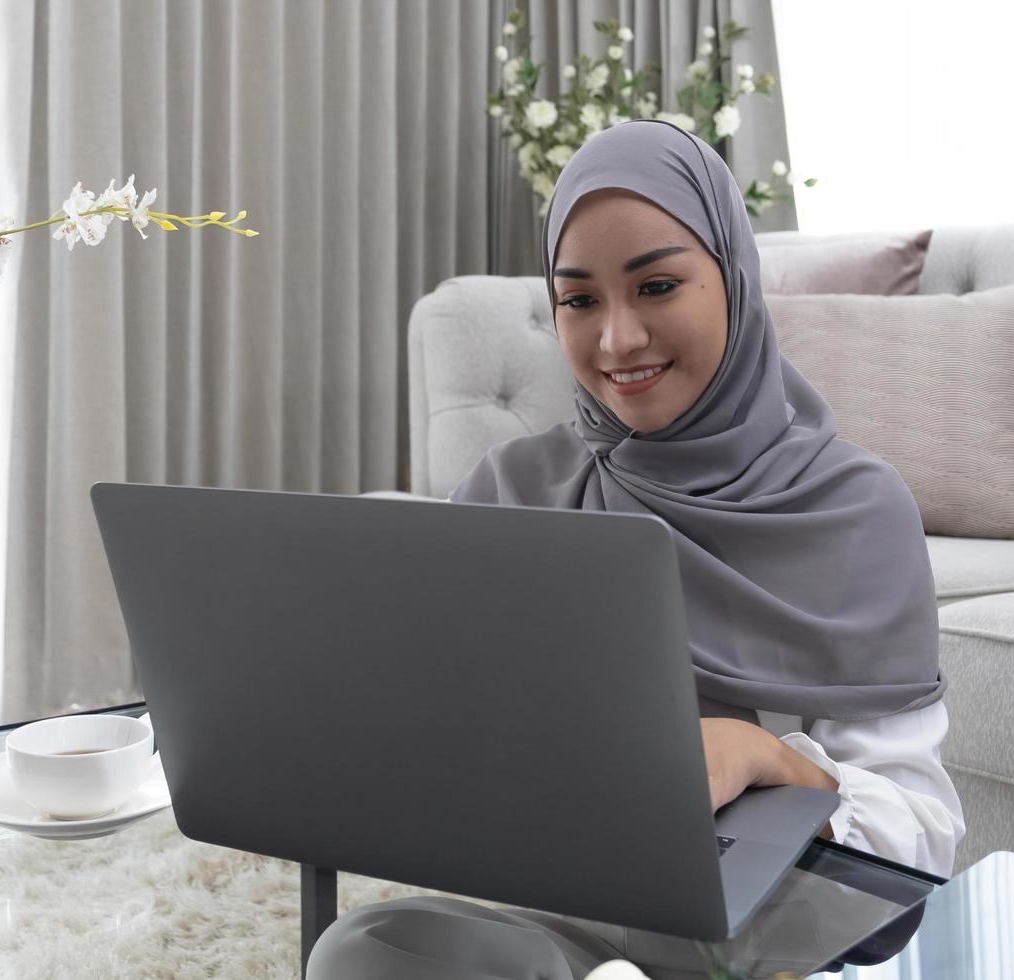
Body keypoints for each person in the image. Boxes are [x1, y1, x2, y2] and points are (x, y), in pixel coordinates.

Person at [305, 118, 964, 979]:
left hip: (750, 937)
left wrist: (763, 757)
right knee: (359, 952)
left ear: (733, 278)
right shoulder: (512, 489)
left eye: (656, 286)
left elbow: (920, 836)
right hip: (536, 908)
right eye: (579, 300)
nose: (617, 340)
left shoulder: (853, 508)